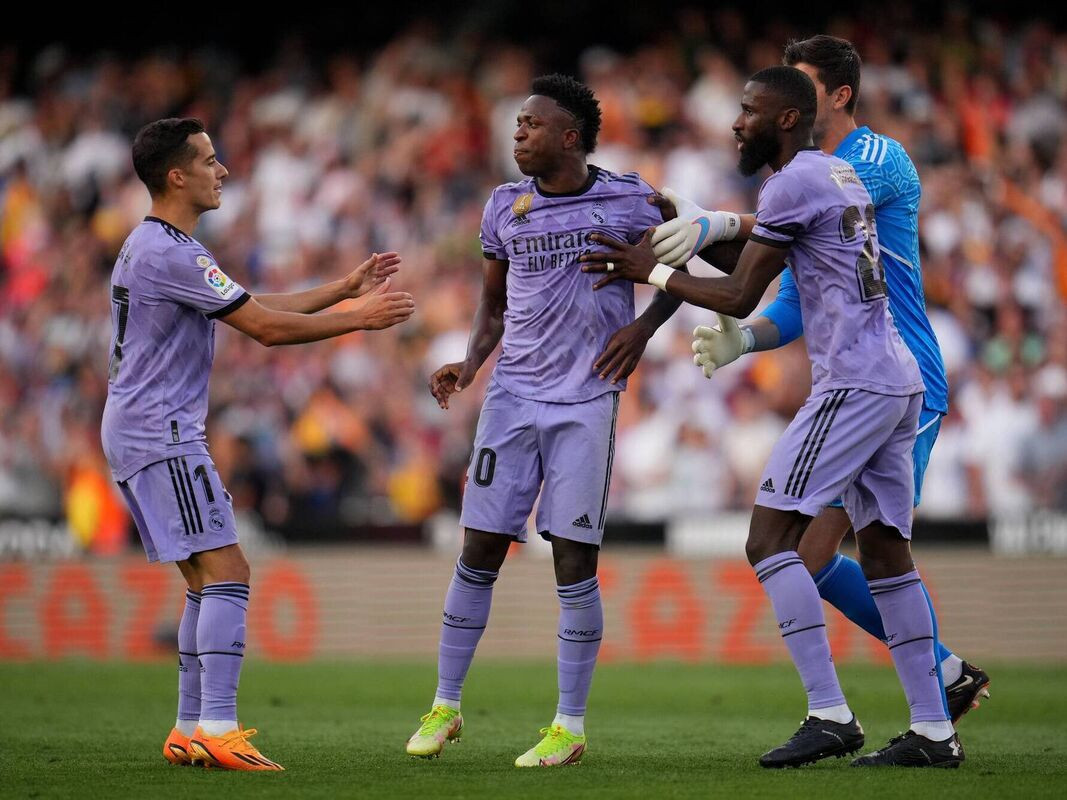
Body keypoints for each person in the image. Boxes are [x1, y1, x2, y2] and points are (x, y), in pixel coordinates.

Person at [581, 66, 964, 768]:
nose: (735, 122)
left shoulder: (791, 183)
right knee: (884, 553)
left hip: (852, 383)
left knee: (767, 540)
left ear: (786, 119)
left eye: (748, 110)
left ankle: (829, 713)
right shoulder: (835, 177)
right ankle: (934, 731)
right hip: (896, 379)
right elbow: (763, 261)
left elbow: (734, 293)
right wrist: (702, 233)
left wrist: (651, 271)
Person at [652, 34, 990, 725]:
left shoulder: (872, 158)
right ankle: (936, 694)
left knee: (813, 549)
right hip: (861, 374)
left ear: (834, 96)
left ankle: (895, 696)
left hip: (902, 375)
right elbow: (791, 296)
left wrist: (716, 224)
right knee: (834, 551)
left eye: (797, 85)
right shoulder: (806, 172)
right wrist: (743, 338)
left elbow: (812, 214)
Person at [101, 118, 414, 771]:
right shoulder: (173, 251)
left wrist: (340, 289)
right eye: (210, 162)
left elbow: (249, 304)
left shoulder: (151, 243)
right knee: (229, 572)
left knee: (201, 579)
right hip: (162, 429)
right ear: (176, 175)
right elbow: (264, 329)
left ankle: (191, 727)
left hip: (139, 425)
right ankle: (217, 725)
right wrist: (358, 319)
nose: (224, 171)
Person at [404, 74, 681, 768]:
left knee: (572, 559)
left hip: (585, 399)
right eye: (516, 124)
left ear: (568, 136)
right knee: (479, 551)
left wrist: (645, 326)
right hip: (511, 399)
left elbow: (685, 263)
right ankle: (444, 705)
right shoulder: (505, 206)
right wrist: (467, 366)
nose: (517, 133)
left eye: (530, 124)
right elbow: (492, 304)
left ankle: (569, 724)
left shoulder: (630, 197)